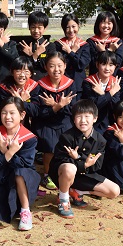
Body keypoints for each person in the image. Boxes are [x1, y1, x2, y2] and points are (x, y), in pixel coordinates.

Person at [49, 99, 120, 219]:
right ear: (73, 119)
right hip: (62, 174)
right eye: (79, 116)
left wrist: (78, 158)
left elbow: (97, 165)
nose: (83, 120)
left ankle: (77, 192)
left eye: (87, 116)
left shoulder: (100, 141)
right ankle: (63, 199)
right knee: (69, 168)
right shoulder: (67, 137)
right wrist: (84, 163)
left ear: (95, 118)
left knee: (114, 191)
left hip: (84, 175)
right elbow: (60, 159)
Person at [0, 97, 40, 231]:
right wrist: (9, 152)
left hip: (23, 179)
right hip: (0, 178)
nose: (7, 117)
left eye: (12, 113)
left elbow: (24, 164)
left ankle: (25, 211)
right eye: (4, 113)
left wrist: (5, 151)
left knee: (19, 173)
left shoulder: (29, 138)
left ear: (22, 115)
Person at [32, 52, 78, 190]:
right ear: (46, 67)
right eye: (52, 66)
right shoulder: (40, 85)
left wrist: (55, 105)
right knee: (50, 147)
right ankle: (48, 175)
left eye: (59, 65)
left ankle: (64, 173)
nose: (56, 69)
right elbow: (39, 111)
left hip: (64, 120)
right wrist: (59, 106)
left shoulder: (70, 84)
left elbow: (72, 109)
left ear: (65, 66)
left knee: (66, 146)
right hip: (46, 121)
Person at [81, 50, 121, 135]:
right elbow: (93, 106)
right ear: (97, 65)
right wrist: (111, 93)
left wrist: (103, 94)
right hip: (93, 123)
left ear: (115, 67)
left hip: (111, 123)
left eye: (111, 65)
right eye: (103, 64)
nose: (107, 68)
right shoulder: (89, 82)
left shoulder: (115, 83)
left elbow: (115, 107)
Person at [0, 56, 40, 123]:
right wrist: (19, 101)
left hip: (26, 125)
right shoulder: (5, 88)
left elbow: (35, 112)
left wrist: (22, 102)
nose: (22, 75)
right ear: (12, 72)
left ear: (31, 74)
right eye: (18, 71)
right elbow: (2, 110)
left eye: (26, 71)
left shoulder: (34, 87)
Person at [55, 13, 90, 92]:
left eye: (73, 26)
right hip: (62, 84)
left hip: (79, 85)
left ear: (78, 26)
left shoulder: (84, 45)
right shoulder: (58, 45)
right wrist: (73, 51)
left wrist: (70, 52)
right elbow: (61, 65)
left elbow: (81, 65)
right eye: (67, 27)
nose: (71, 30)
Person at [18, 11, 56, 81]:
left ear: (45, 28)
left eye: (39, 27)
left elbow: (47, 67)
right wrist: (35, 55)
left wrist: (33, 55)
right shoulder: (24, 45)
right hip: (27, 81)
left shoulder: (50, 46)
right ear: (29, 27)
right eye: (33, 27)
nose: (36, 31)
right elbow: (21, 66)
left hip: (44, 81)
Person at [86, 11, 123, 75]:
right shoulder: (91, 42)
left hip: (112, 77)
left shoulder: (117, 42)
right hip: (95, 77)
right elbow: (93, 62)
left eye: (109, 23)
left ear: (113, 25)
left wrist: (103, 51)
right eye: (103, 22)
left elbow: (118, 62)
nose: (106, 26)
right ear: (98, 24)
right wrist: (109, 50)